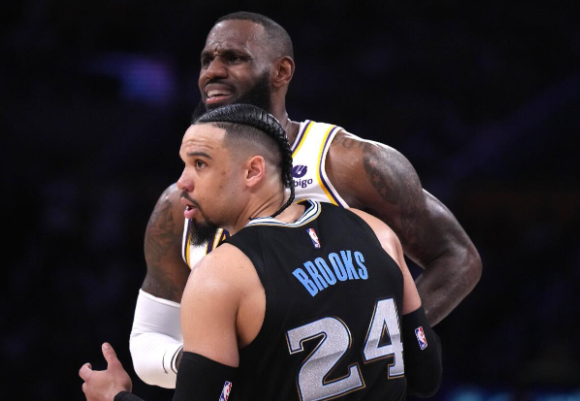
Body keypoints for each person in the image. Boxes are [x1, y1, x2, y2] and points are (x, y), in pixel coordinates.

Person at [131, 11, 480, 388]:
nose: (211, 72)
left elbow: (457, 256)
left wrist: (381, 340)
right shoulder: (180, 205)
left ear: (281, 71)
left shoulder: (347, 164)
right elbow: (149, 339)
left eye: (233, 57)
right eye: (206, 60)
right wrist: (210, 364)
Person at [80, 104, 442, 401]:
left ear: (253, 171)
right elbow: (426, 375)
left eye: (200, 164)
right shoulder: (376, 232)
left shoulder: (221, 276)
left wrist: (114, 396)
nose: (182, 182)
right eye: (184, 164)